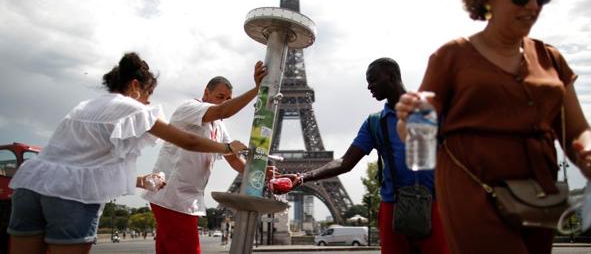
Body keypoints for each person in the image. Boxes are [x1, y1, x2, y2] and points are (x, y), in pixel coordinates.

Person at [395, 0, 591, 254]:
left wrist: (590, 152)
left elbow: (577, 129)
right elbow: (416, 129)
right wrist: (408, 117)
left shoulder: (551, 58)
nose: (534, 5)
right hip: (474, 189)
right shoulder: (451, 57)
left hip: (540, 191)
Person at [7, 52, 252, 254]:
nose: (147, 102)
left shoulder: (84, 106)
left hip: (30, 185)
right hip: (69, 193)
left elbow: (85, 160)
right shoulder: (134, 109)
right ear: (135, 87)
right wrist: (227, 147)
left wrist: (140, 181)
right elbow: (188, 140)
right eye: (148, 95)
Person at [286, 58, 448, 254]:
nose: (369, 86)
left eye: (373, 80)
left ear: (392, 76)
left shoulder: (434, 111)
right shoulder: (374, 122)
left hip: (434, 203)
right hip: (394, 207)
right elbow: (345, 162)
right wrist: (303, 177)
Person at [142, 69, 267, 254]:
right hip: (171, 195)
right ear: (206, 92)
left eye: (227, 98)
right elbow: (224, 111)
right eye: (220, 96)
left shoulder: (219, 126)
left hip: (183, 197)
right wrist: (256, 90)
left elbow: (233, 160)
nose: (224, 101)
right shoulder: (190, 108)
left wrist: (262, 175)